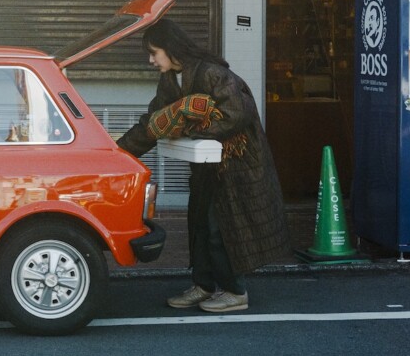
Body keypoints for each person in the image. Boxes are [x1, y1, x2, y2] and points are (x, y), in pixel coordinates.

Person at [117, 20, 290, 313]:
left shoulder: (213, 73)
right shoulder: (171, 79)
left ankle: (235, 292)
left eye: (154, 52)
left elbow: (237, 113)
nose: (150, 60)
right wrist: (119, 153)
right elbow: (153, 122)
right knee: (198, 222)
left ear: (171, 49)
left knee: (218, 226)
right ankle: (205, 285)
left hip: (236, 164)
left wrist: (192, 128)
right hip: (208, 163)